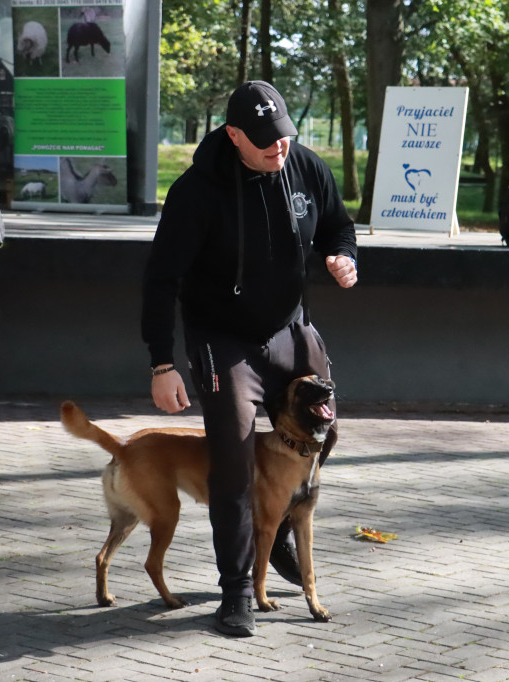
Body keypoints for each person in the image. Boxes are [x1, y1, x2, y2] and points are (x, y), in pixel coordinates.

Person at [141, 81, 358, 637]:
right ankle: (236, 589)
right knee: (234, 462)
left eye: (283, 137)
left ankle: (279, 529)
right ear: (233, 135)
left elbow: (337, 223)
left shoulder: (305, 167)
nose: (278, 149)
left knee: (325, 427)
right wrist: (161, 362)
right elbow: (161, 278)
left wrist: (342, 254)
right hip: (223, 339)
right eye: (264, 142)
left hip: (288, 328)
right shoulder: (198, 191)